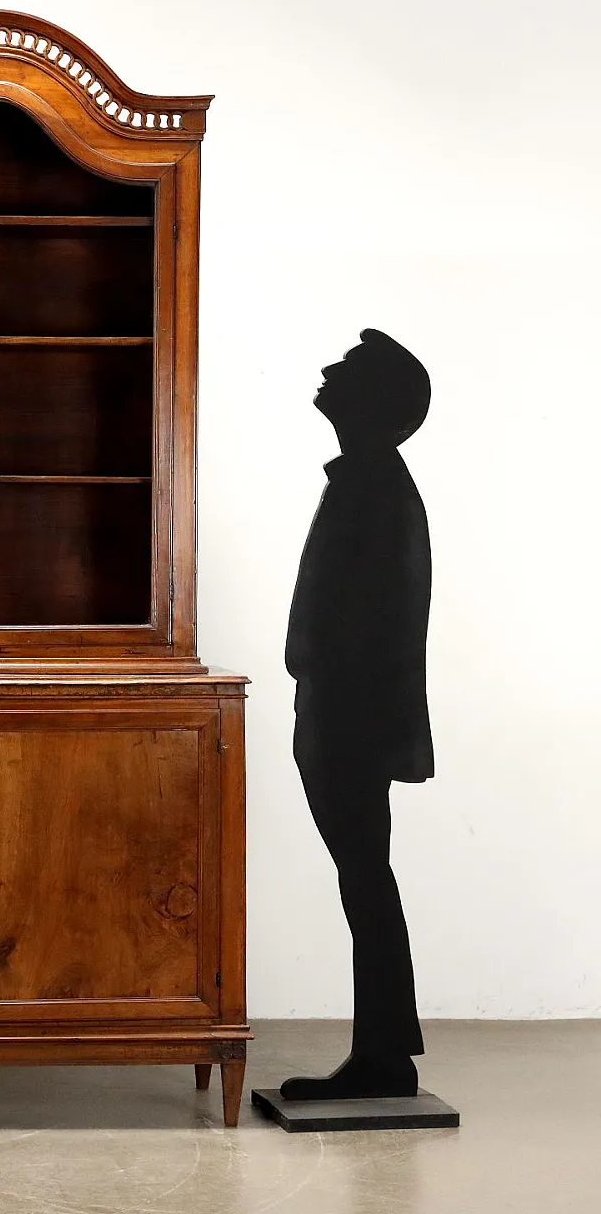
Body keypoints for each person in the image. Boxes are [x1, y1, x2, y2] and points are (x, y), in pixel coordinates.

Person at [280, 328, 433, 1101]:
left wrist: (328, 692)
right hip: (342, 714)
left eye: (344, 368)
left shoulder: (374, 488)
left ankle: (383, 1056)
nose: (325, 370)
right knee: (365, 879)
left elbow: (376, 625)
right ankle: (385, 1048)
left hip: (350, 721)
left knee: (365, 880)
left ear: (369, 400)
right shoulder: (368, 481)